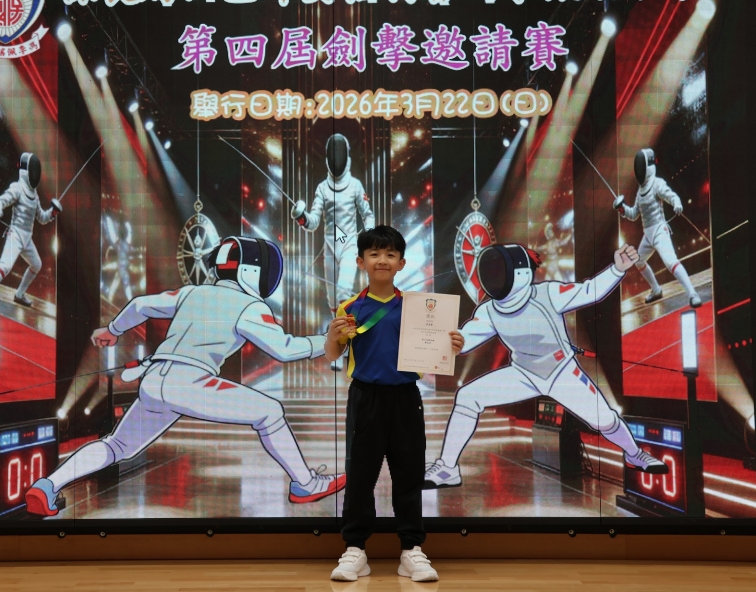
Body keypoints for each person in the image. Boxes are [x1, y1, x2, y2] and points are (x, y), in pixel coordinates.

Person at [24, 236, 345, 517]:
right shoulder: (250, 307)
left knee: (117, 445)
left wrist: (112, 330)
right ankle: (305, 484)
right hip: (190, 384)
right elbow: (285, 349)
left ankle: (48, 485)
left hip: (154, 381)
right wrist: (327, 341)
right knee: (270, 411)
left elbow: (140, 305)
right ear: (252, 272)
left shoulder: (192, 292)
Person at [424, 243, 669, 491]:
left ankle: (635, 454)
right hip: (523, 373)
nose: (493, 275)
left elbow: (590, 291)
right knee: (468, 396)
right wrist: (456, 342)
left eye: (499, 269)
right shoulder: (489, 310)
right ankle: (447, 468)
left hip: (561, 372)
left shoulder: (548, 293)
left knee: (605, 420)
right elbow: (466, 338)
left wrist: (617, 269)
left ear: (521, 272)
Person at [326, 226, 463, 583]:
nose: (382, 260)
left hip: (405, 397)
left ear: (401, 263)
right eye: (374, 253)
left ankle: (411, 550)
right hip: (365, 398)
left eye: (390, 254)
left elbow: (438, 351)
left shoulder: (418, 308)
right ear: (361, 262)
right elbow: (332, 354)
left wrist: (452, 345)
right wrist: (332, 335)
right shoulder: (350, 308)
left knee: (408, 474)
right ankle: (355, 549)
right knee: (360, 476)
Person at [292, 134, 376, 312]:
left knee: (343, 293)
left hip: (349, 245)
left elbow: (368, 215)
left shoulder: (355, 185)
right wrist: (302, 217)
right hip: (329, 247)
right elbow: (314, 222)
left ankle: (350, 327)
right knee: (333, 302)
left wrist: (368, 234)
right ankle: (341, 329)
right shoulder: (322, 188)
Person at [614, 147, 702, 308]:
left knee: (670, 262)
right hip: (648, 235)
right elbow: (634, 214)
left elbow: (671, 195)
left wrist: (677, 203)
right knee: (639, 261)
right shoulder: (640, 192)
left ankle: (692, 293)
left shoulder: (657, 184)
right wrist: (623, 209)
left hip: (659, 231)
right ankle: (656, 289)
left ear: (646, 167)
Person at [0, 152, 62, 312]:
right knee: (4, 267)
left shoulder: (34, 195)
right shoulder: (17, 187)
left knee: (36, 264)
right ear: (26, 170)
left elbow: (41, 217)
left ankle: (20, 294)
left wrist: (52, 212)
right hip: (15, 235)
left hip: (27, 239)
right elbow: (3, 199)